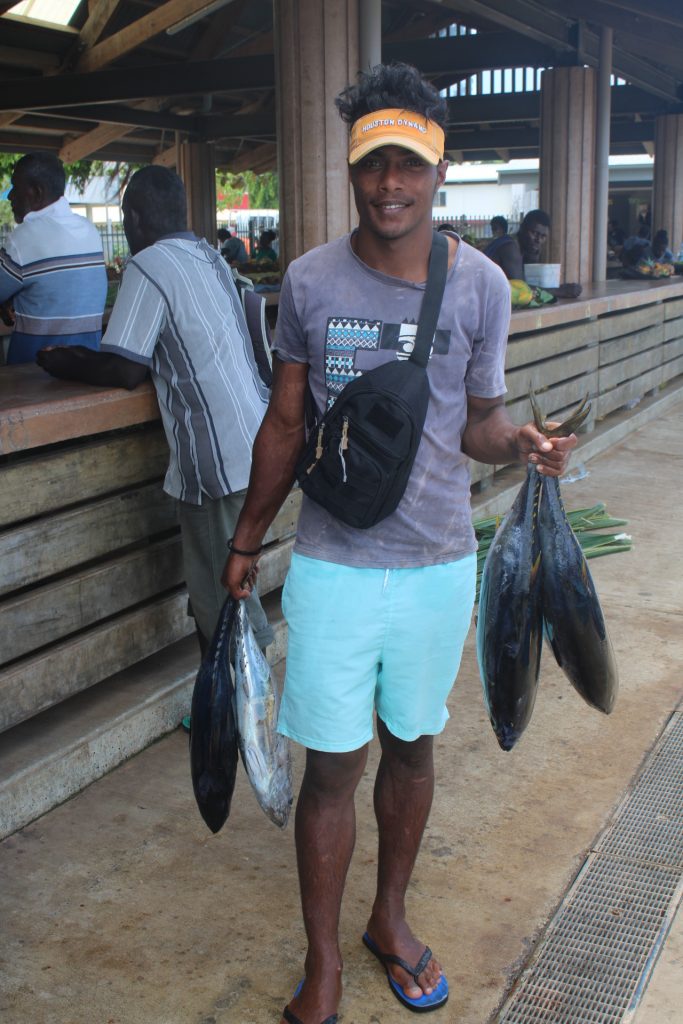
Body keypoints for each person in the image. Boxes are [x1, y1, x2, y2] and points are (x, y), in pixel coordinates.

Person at [222, 62, 576, 1024]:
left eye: (407, 166)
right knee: (332, 767)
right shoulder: (305, 281)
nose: (390, 185)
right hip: (335, 562)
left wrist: (525, 446)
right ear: (350, 170)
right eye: (373, 165)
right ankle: (322, 962)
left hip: (434, 562)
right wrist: (247, 538)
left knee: (411, 749)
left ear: (437, 168)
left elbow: (480, 425)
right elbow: (285, 424)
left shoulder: (482, 287)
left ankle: (389, 917)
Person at [37, 165, 273, 657]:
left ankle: (242, 724)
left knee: (223, 601)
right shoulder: (208, 256)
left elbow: (125, 368)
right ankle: (233, 711)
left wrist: (65, 361)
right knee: (231, 586)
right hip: (255, 444)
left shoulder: (148, 266)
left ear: (133, 217)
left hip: (217, 464)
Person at [0, 152, 107, 365]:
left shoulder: (24, 239)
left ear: (37, 192)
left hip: (34, 376)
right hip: (88, 370)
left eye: (16, 187)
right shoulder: (89, 230)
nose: (10, 196)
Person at [486, 208, 582, 299]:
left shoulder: (524, 248)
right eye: (534, 233)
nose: (538, 240)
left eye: (543, 236)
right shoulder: (510, 248)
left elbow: (530, 281)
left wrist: (532, 257)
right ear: (522, 228)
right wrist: (561, 291)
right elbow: (522, 291)